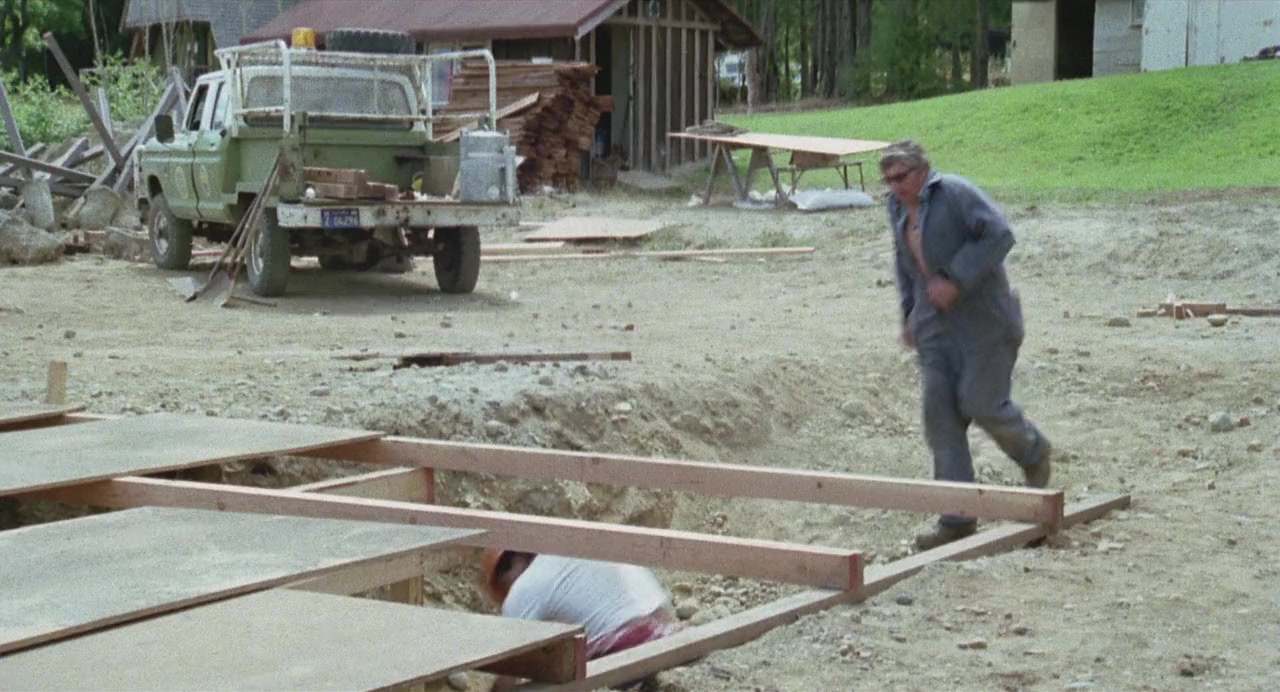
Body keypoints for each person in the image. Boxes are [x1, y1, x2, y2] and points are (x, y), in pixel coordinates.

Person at [879, 139, 1053, 551]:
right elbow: (905, 267)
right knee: (939, 418)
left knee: (981, 402)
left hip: (985, 324)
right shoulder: (897, 208)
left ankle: (1032, 451)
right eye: (888, 180)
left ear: (923, 171)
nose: (895, 186)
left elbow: (1000, 234)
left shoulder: (955, 193)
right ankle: (956, 517)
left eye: (901, 177)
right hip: (934, 330)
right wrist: (909, 316)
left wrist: (956, 278)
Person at [482, 549, 686, 690]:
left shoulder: (522, 589)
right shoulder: (576, 550)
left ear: (503, 575)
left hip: (626, 648)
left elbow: (507, 676)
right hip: (671, 635)